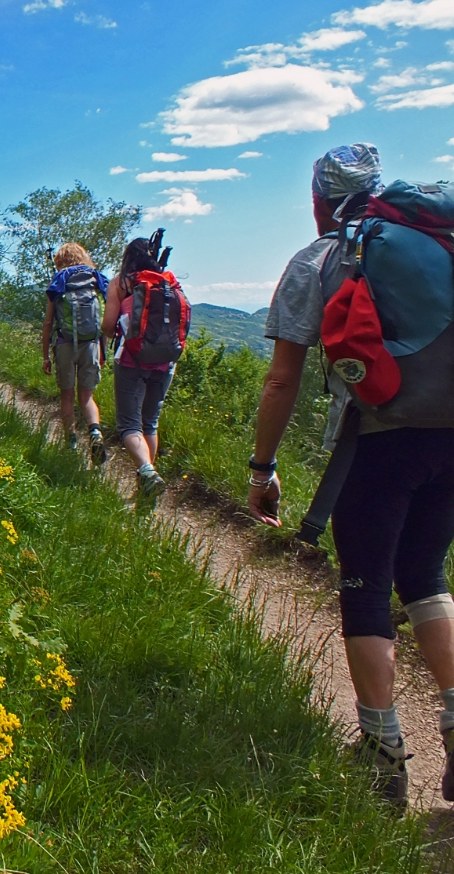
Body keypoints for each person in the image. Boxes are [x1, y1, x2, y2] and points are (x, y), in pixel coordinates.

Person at [247, 142, 454, 811]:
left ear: (318, 202)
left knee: (364, 590)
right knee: (426, 577)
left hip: (376, 444)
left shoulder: (321, 259)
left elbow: (283, 379)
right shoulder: (433, 240)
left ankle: (380, 756)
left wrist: (263, 468)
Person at [102, 238, 175, 499]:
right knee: (150, 424)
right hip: (166, 361)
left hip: (131, 360)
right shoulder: (167, 280)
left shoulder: (120, 283)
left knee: (129, 425)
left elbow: (108, 326)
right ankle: (146, 485)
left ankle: (147, 472)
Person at [41, 243, 108, 462]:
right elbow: (102, 321)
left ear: (60, 260)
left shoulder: (59, 281)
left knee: (67, 395)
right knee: (87, 396)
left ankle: (70, 442)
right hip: (90, 344)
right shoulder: (94, 279)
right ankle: (95, 432)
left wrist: (45, 356)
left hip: (65, 344)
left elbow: (49, 322)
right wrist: (102, 351)